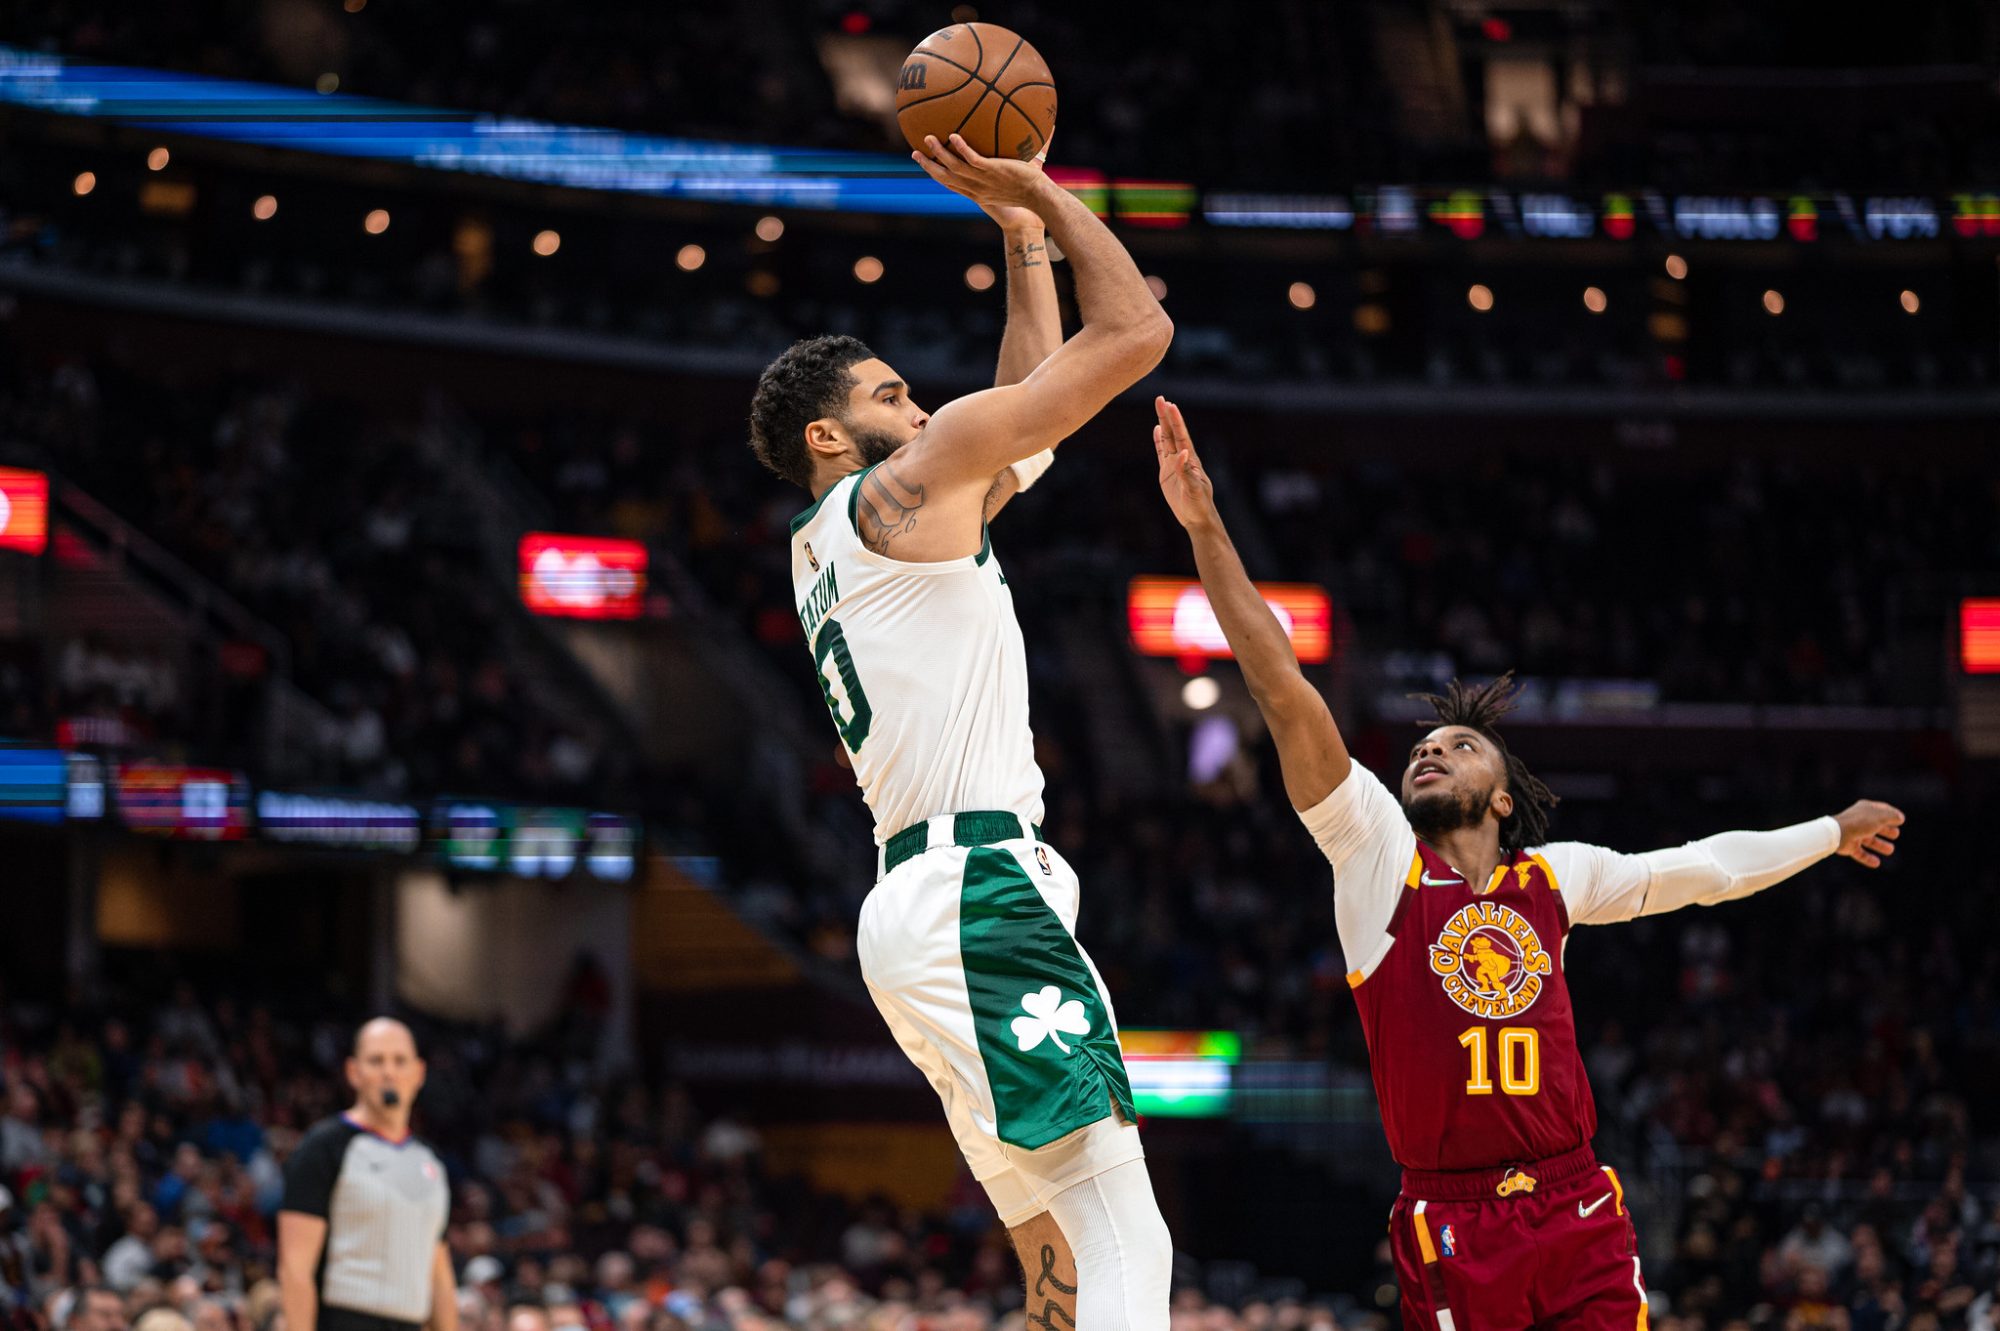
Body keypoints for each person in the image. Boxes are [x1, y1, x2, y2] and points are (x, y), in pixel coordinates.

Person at [1147, 398, 1908, 1331]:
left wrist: (1828, 829)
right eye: (1422, 745)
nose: (1431, 752)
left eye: (1460, 745)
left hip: (1576, 1200)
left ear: (1504, 794)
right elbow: (1282, 688)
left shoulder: (1557, 877)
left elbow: (1707, 866)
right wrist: (1206, 525)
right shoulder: (1377, 861)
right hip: (1454, 1214)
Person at [746, 131, 1174, 1330]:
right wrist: (1040, 185)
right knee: (1124, 1225)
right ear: (828, 437)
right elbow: (1135, 336)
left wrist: (1020, 240)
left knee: (1062, 1266)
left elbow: (1026, 421)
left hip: (922, 901)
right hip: (977, 887)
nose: (922, 405)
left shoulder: (855, 533)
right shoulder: (895, 497)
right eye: (890, 396)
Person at [277, 1020, 455, 1331]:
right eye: (376, 1060)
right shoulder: (323, 1147)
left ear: (418, 1073)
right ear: (353, 1072)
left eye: (400, 1061)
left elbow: (438, 1272)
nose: (389, 1072)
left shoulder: (431, 1163)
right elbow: (295, 1269)